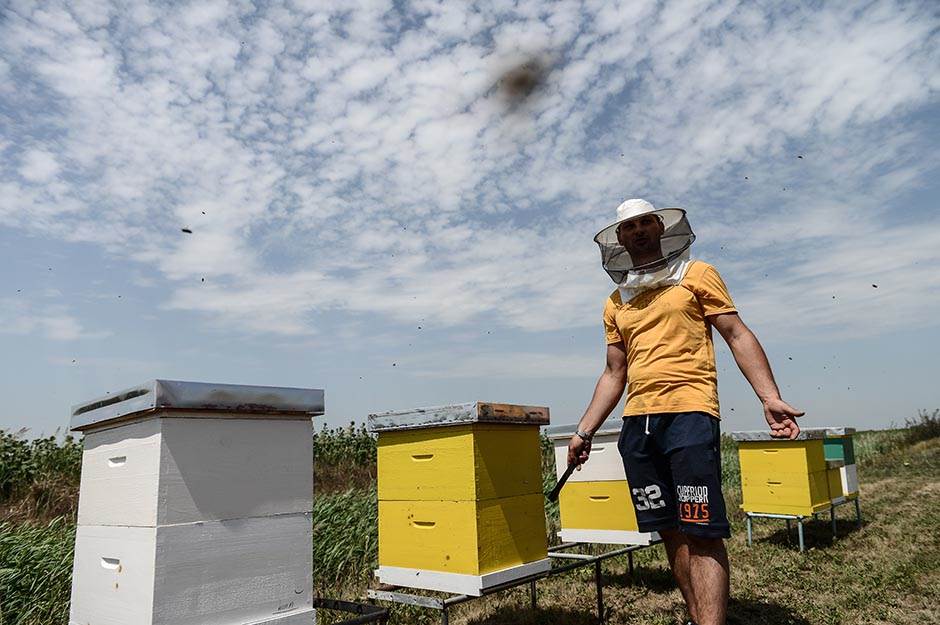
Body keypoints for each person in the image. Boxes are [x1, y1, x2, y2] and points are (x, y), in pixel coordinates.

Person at [567, 199, 803, 625]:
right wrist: (584, 432)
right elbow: (613, 372)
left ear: (660, 227)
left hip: (690, 414)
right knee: (670, 529)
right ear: (618, 238)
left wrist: (768, 396)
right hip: (638, 424)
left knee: (701, 529)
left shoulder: (697, 274)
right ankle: (698, 617)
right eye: (628, 227)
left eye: (645, 222)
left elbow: (736, 333)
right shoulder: (616, 300)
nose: (637, 231)